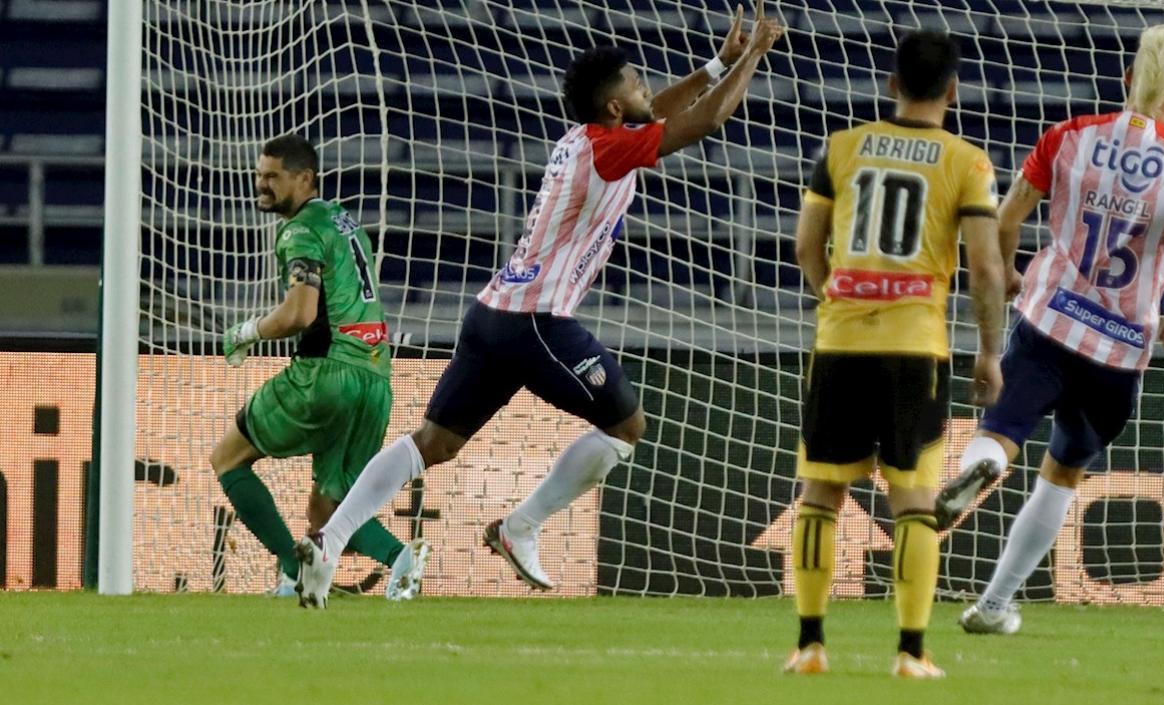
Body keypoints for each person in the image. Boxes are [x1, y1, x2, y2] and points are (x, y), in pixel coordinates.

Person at [294, 3, 786, 608]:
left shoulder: (584, 138)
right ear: (614, 107)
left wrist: (716, 65)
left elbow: (659, 111)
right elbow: (704, 122)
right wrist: (754, 56)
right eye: (636, 83)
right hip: (538, 321)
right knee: (627, 427)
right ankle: (520, 526)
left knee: (433, 443)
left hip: (491, 313)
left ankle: (329, 541)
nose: (646, 89)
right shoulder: (607, 149)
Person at [934, 24, 1164, 634]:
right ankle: (994, 605)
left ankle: (985, 462)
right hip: (1119, 349)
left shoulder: (1069, 135)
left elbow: (1006, 217)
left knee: (1002, 429)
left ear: (1127, 78)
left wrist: (1009, 272)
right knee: (1063, 474)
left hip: (1049, 322)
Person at [784, 31, 1007, 679]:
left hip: (842, 341)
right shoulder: (968, 162)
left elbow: (806, 246)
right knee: (913, 497)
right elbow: (986, 269)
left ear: (892, 84)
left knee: (820, 491)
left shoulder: (841, 147)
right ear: (953, 90)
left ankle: (810, 644)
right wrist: (990, 352)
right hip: (915, 346)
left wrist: (837, 300)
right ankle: (911, 651)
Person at [213, 134, 428, 600]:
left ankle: (292, 570)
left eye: (273, 176)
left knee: (227, 458)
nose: (261, 185)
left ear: (305, 178)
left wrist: (246, 332)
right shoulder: (345, 222)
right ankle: (401, 559)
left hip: (326, 375)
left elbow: (300, 313)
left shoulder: (300, 231)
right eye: (259, 175)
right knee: (330, 508)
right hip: (375, 376)